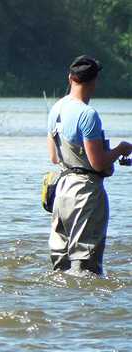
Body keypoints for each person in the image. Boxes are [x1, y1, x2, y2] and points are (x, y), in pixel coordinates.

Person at [47, 55, 132, 275]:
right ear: (94, 82)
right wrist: (121, 150)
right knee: (86, 263)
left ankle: (60, 305)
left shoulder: (56, 108)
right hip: (85, 193)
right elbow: (98, 163)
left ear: (70, 78)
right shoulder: (88, 115)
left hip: (61, 190)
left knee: (61, 262)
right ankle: (87, 307)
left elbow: (54, 158)